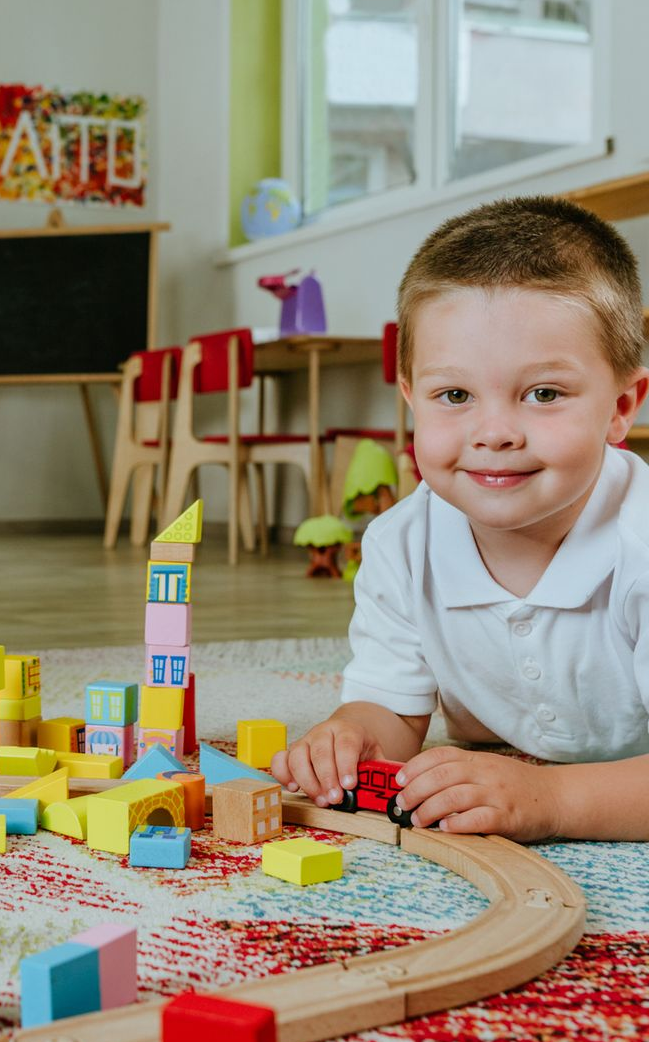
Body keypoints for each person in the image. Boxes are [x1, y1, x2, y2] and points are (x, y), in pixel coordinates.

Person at [271, 196, 649, 842]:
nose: (494, 433)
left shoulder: (638, 546)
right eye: (455, 396)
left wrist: (553, 798)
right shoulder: (400, 542)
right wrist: (354, 735)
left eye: (544, 394)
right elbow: (393, 705)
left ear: (621, 406)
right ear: (412, 399)